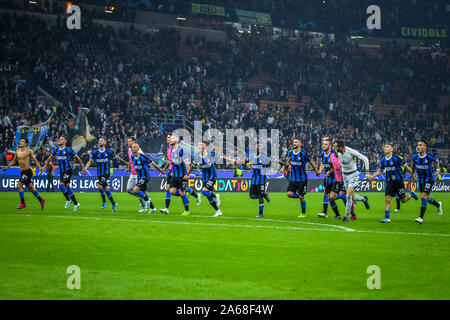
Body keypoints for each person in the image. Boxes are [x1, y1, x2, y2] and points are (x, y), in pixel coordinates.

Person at [368, 143, 418, 223]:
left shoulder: (397, 158)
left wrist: (414, 176)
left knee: (403, 200)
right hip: (389, 181)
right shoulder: (383, 159)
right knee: (387, 199)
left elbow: (407, 167)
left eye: (387, 147)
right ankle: (387, 218)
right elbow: (380, 170)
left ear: (392, 149)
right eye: (385, 147)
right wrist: (372, 176)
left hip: (398, 181)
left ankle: (412, 194)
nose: (385, 148)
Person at [83, 137, 129, 212]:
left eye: (101, 141)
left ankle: (104, 201)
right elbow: (90, 161)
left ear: (104, 143)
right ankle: (113, 203)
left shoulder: (108, 152)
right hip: (99, 173)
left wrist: (126, 163)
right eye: (99, 141)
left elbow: (117, 158)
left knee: (99, 186)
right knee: (106, 189)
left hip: (106, 172)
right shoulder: (95, 152)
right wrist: (85, 168)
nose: (99, 142)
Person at [41, 136, 85, 212]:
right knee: (67, 186)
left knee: (61, 185)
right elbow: (50, 158)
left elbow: (77, 157)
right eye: (59, 139)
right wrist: (45, 165)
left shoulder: (68, 150)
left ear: (65, 141)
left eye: (61, 139)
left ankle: (68, 200)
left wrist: (82, 167)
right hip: (61, 171)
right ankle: (76, 203)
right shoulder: (56, 150)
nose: (59, 140)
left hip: (68, 170)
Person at [279, 138, 320, 218]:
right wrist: (283, 168)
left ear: (300, 144)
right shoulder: (291, 152)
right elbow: (289, 160)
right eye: (293, 142)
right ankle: (300, 196)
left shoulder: (303, 154)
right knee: (289, 194)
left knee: (301, 197)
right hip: (293, 178)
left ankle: (303, 213)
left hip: (302, 179)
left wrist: (317, 171)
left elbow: (312, 162)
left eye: (296, 142)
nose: (294, 143)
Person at [1, 138, 45, 210]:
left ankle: (23, 203)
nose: (21, 142)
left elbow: (35, 160)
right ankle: (41, 200)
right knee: (31, 188)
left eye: (22, 141)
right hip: (22, 172)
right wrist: (7, 167)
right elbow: (13, 161)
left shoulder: (29, 151)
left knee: (19, 185)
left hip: (28, 171)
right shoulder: (17, 151)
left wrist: (40, 168)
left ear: (26, 144)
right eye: (20, 141)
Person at [333, 140, 371, 222]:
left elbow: (365, 158)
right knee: (352, 196)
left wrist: (367, 172)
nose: (335, 148)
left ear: (341, 147)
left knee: (348, 196)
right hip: (344, 175)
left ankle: (346, 216)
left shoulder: (351, 152)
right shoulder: (337, 152)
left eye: (336, 146)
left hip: (353, 175)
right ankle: (363, 199)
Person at [410, 140, 443, 224]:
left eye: (421, 145)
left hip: (429, 179)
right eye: (418, 145)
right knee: (427, 198)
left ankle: (421, 217)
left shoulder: (429, 157)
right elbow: (413, 166)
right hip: (421, 180)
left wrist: (437, 170)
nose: (418, 147)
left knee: (423, 196)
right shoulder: (414, 157)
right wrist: (413, 174)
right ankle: (438, 205)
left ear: (425, 147)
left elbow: (437, 161)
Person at [160, 135, 192, 216]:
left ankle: (187, 210)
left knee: (181, 192)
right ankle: (185, 195)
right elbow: (172, 163)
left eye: (173, 138)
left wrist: (188, 174)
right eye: (170, 138)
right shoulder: (170, 150)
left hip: (182, 176)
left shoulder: (181, 150)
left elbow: (187, 162)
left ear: (177, 140)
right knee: (172, 192)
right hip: (175, 175)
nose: (171, 139)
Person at [130, 142, 165, 214]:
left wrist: (160, 170)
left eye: (134, 147)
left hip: (145, 176)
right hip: (139, 177)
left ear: (138, 149)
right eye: (132, 147)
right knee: (144, 193)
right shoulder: (132, 157)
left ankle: (147, 200)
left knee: (135, 190)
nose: (132, 148)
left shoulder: (143, 157)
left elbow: (152, 163)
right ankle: (153, 208)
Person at [317, 137, 346, 218]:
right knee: (327, 195)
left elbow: (337, 166)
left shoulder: (334, 154)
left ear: (330, 146)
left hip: (335, 178)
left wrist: (329, 172)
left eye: (326, 144)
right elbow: (323, 163)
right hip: (327, 178)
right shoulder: (322, 154)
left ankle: (343, 197)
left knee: (331, 196)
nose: (324, 146)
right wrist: (320, 171)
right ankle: (335, 214)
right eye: (323, 144)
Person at [193, 141, 222, 217]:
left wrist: (231, 160)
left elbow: (220, 156)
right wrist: (188, 174)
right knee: (208, 197)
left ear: (205, 146)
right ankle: (218, 211)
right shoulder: (197, 156)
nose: (199, 146)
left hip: (212, 177)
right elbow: (193, 165)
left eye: (201, 145)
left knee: (204, 191)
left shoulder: (210, 154)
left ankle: (216, 196)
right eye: (198, 145)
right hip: (204, 178)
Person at [247, 144, 271, 218]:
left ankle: (261, 213)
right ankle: (264, 194)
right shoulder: (251, 156)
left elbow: (270, 162)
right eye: (257, 145)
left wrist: (265, 166)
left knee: (260, 197)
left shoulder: (264, 157)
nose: (258, 147)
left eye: (259, 146)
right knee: (252, 196)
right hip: (254, 179)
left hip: (261, 179)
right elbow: (247, 161)